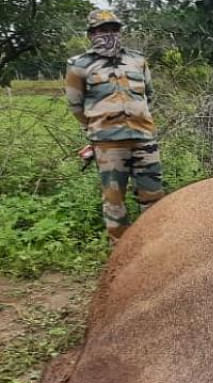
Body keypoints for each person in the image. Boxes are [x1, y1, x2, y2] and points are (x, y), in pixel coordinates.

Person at [66, 8, 163, 242]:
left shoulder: (137, 60)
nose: (109, 34)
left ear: (120, 31)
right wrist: (98, 128)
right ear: (91, 34)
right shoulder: (78, 65)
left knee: (153, 197)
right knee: (114, 200)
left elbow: (148, 95)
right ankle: (120, 253)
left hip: (144, 139)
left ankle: (153, 248)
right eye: (102, 30)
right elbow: (76, 106)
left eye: (114, 29)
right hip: (108, 144)